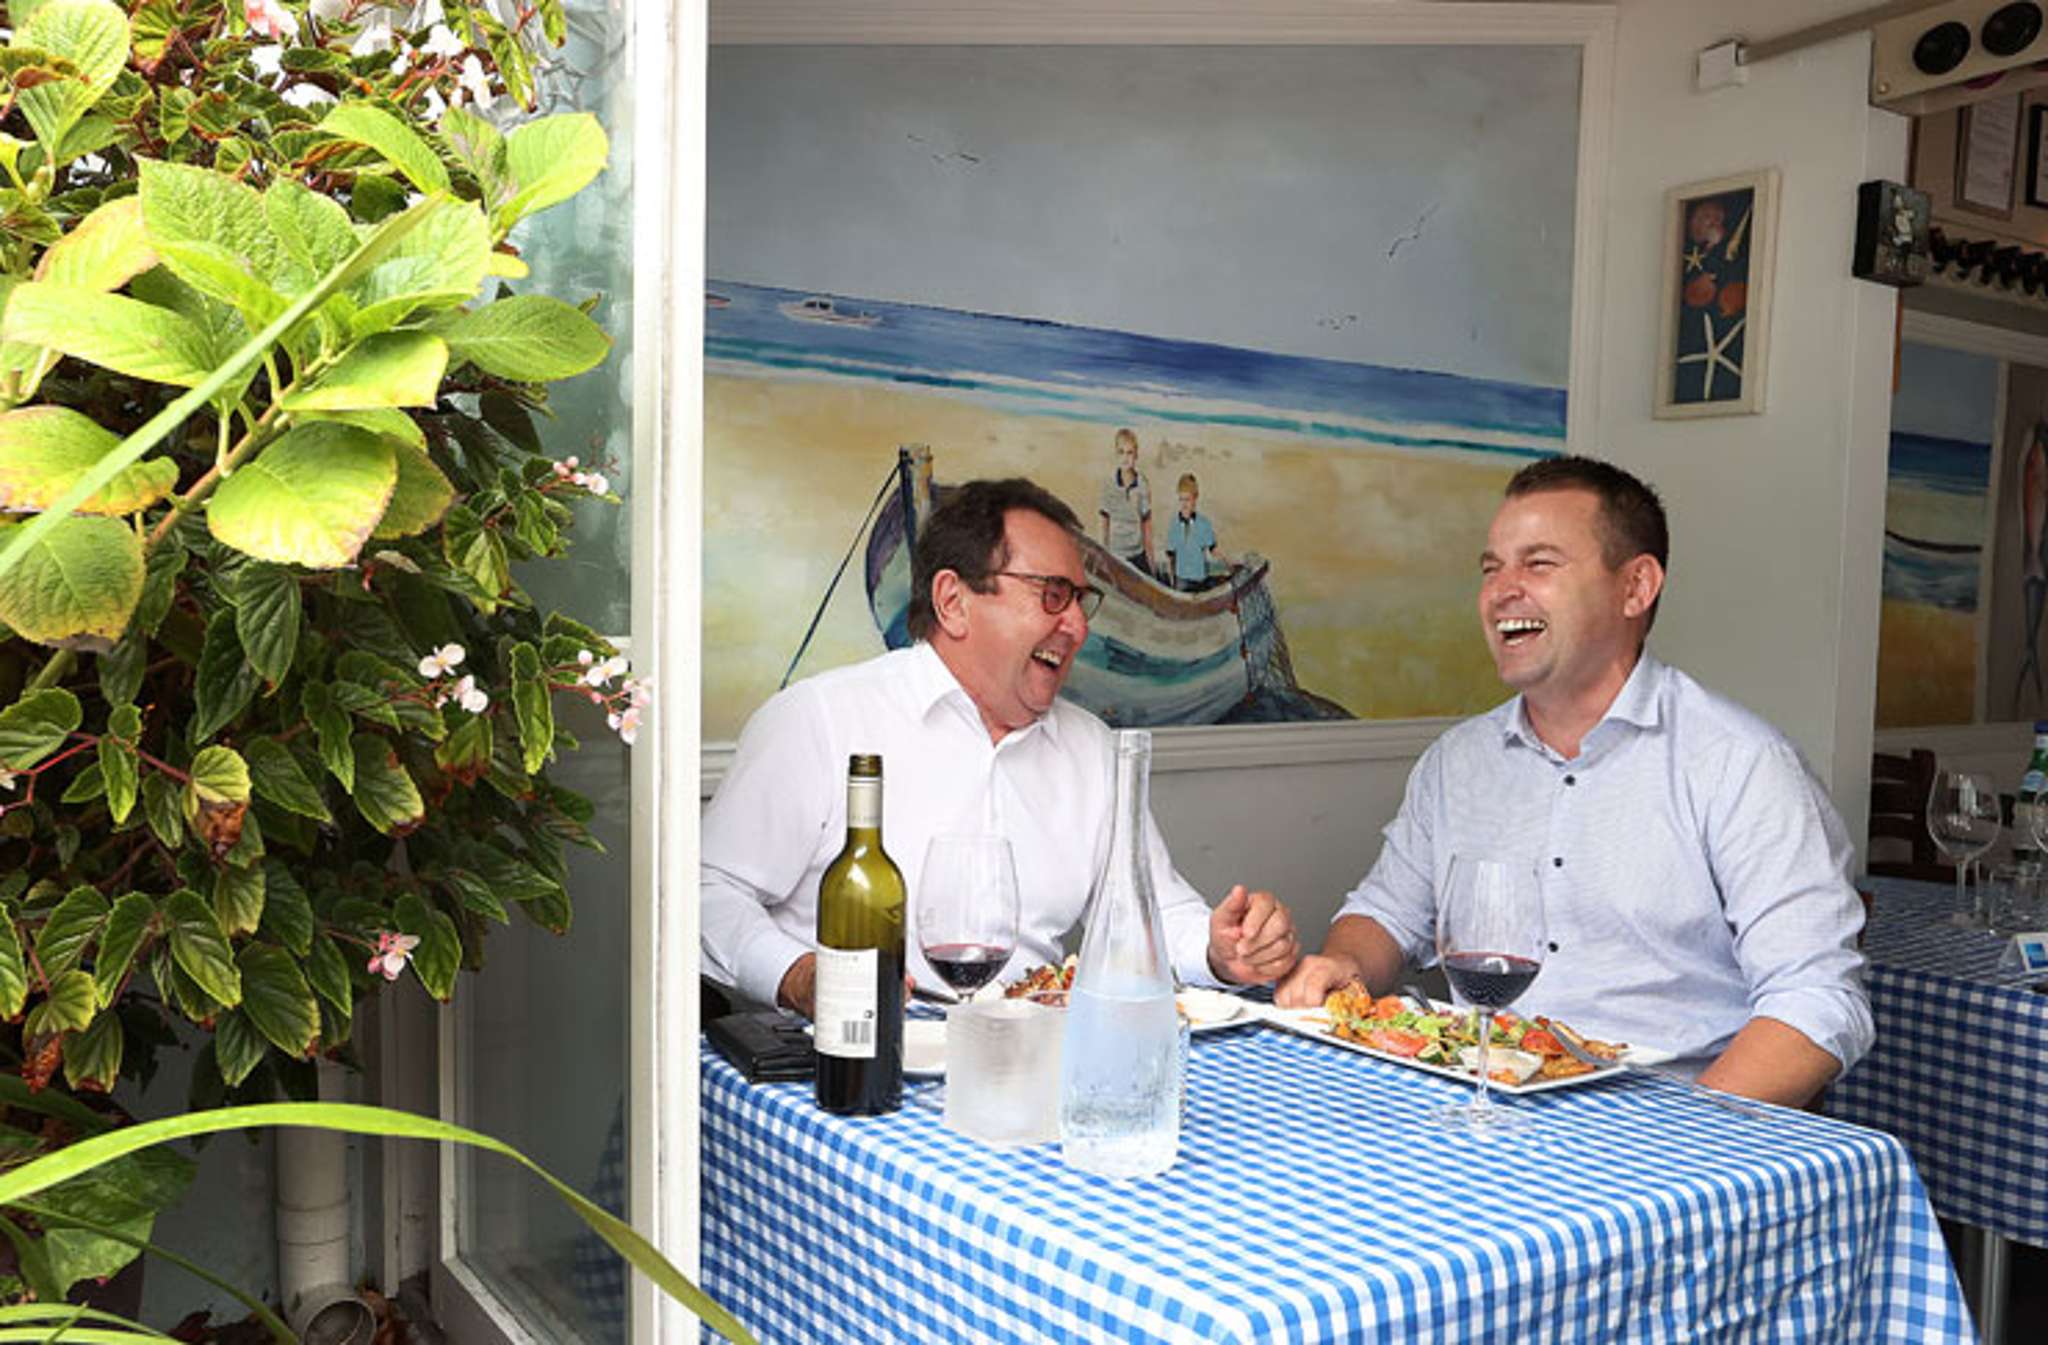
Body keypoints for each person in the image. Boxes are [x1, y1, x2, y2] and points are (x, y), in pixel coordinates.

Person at [1276, 456, 1872, 1107]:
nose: (1502, 589)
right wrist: (1347, 963)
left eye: (1538, 564)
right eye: (1490, 567)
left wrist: (1691, 1140)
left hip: (1662, 1126)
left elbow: (1817, 1000)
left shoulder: (1741, 764)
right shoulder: (1457, 762)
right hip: (1475, 1109)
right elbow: (1386, 913)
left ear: (1636, 586)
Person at [703, 476, 1300, 1017]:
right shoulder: (820, 722)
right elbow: (707, 894)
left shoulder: (1091, 749)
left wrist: (1226, 950)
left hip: (1030, 1063)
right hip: (849, 1067)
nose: (1079, 627)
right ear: (953, 602)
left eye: (1081, 601)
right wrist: (795, 975)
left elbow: (1153, 915)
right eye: (1052, 594)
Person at [1098, 428, 1155, 577]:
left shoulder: (1142, 484)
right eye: (1121, 452)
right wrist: (1104, 557)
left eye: (1129, 453)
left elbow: (1147, 527)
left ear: (1136, 455)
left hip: (1137, 554)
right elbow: (1104, 525)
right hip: (1116, 555)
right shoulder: (1108, 484)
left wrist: (1152, 564)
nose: (1125, 458)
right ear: (1116, 454)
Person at [1165, 472, 1225, 592]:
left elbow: (1213, 550)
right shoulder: (1174, 525)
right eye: (1181, 499)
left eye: (1187, 499)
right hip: (1181, 580)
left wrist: (1228, 563)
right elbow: (1170, 557)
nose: (1184, 504)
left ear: (1196, 497)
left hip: (1200, 579)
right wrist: (1172, 584)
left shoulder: (1204, 523)